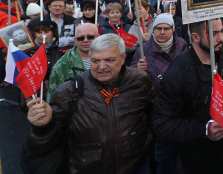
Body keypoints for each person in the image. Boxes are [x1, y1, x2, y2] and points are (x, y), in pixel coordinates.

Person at [26, 34, 155, 173]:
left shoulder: (139, 80)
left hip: (137, 166)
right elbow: (43, 146)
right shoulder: (70, 90)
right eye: (95, 61)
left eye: (109, 60)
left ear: (123, 58)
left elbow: (154, 118)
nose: (101, 67)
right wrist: (43, 128)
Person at [154, 18, 223, 174]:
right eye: (213, 34)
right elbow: (163, 125)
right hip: (198, 161)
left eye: (221, 31)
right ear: (195, 37)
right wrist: (203, 129)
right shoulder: (178, 72)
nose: (220, 38)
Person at [131, 13, 187, 174]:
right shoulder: (143, 49)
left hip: (180, 107)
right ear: (153, 30)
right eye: (158, 29)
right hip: (156, 109)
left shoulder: (182, 45)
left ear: (173, 30)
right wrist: (137, 70)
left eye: (166, 29)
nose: (162, 32)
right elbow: (131, 78)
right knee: (162, 151)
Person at [47, 23, 99, 101]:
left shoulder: (110, 58)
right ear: (75, 40)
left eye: (90, 37)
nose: (85, 40)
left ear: (98, 37)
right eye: (80, 38)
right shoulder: (62, 65)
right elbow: (53, 98)